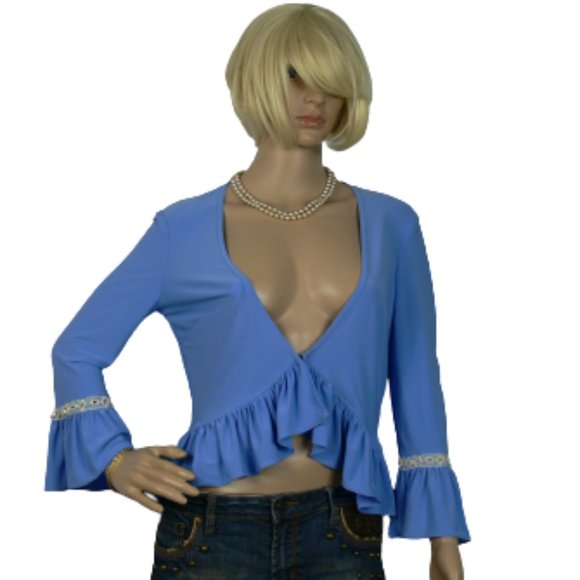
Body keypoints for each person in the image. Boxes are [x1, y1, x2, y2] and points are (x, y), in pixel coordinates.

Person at [45, 3, 470, 578]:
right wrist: (114, 458)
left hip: (341, 531)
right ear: (255, 80)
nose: (315, 97)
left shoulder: (393, 224)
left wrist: (442, 536)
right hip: (210, 533)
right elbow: (76, 350)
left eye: (330, 80)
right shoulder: (183, 230)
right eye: (294, 76)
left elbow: (416, 375)